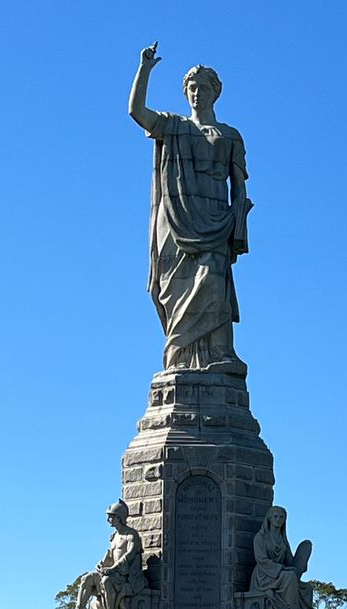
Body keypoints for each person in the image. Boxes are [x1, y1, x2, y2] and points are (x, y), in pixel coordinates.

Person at [128, 42, 252, 374]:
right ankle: (180, 359)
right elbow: (137, 112)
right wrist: (144, 70)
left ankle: (220, 353)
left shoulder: (230, 136)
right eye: (192, 88)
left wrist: (238, 220)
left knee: (214, 282)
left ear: (216, 92)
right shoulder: (173, 126)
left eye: (203, 87)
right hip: (176, 220)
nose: (197, 93)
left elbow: (239, 186)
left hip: (216, 221)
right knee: (175, 287)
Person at [64, 500, 146, 609]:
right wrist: (101, 564)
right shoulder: (114, 536)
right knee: (87, 578)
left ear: (119, 517)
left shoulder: (131, 535)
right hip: (112, 573)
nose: (108, 519)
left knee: (107, 580)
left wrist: (112, 569)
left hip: (125, 577)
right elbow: (110, 555)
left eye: (111, 516)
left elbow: (128, 556)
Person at [250, 506, 313, 609]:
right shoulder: (260, 537)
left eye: (281, 517)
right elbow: (261, 560)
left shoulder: (282, 539)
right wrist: (282, 569)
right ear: (269, 518)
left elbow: (289, 560)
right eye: (276, 517)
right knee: (289, 577)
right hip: (264, 576)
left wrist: (300, 563)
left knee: (307, 587)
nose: (278, 520)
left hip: (281, 575)